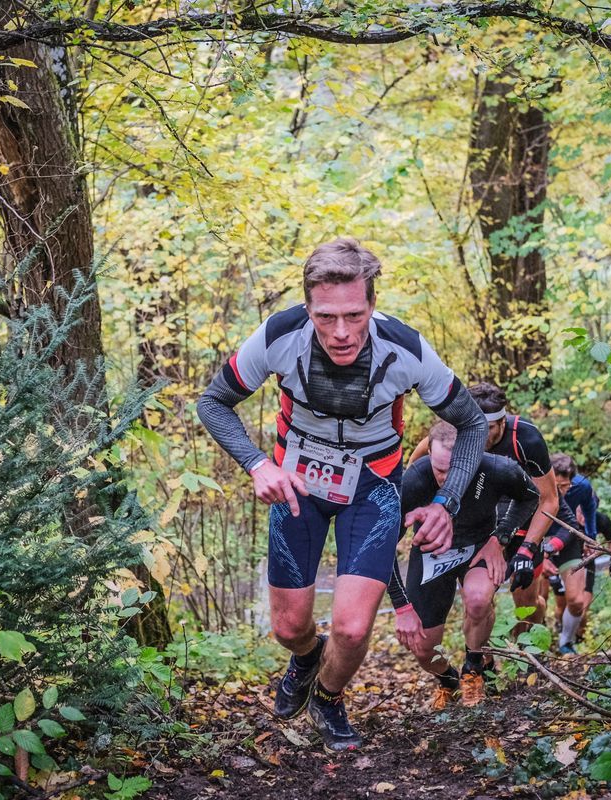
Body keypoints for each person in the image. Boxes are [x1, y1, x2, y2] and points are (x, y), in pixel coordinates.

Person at [196, 238, 487, 751]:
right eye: (326, 316)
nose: (341, 332)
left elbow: (470, 424)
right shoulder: (278, 336)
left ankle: (327, 698)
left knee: (353, 630)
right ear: (307, 307)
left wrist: (447, 502)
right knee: (289, 629)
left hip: (373, 488)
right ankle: (307, 657)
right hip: (297, 484)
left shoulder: (408, 351)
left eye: (354, 314)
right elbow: (214, 402)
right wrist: (257, 464)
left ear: (372, 305)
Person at [387, 421, 540, 710]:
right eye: (438, 468)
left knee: (479, 599)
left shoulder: (497, 468)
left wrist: (500, 538)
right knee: (423, 647)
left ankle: (474, 669)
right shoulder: (415, 480)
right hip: (432, 553)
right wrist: (401, 606)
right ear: (429, 455)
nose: (444, 478)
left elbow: (530, 497)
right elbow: (383, 546)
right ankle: (448, 681)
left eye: (452, 470)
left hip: (479, 546)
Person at [550, 454, 611, 642]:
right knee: (557, 603)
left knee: (578, 604)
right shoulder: (540, 485)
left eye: (565, 486)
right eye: (557, 486)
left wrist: (591, 540)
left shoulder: (586, 495)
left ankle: (570, 640)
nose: (562, 491)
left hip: (576, 548)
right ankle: (554, 629)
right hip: (548, 543)